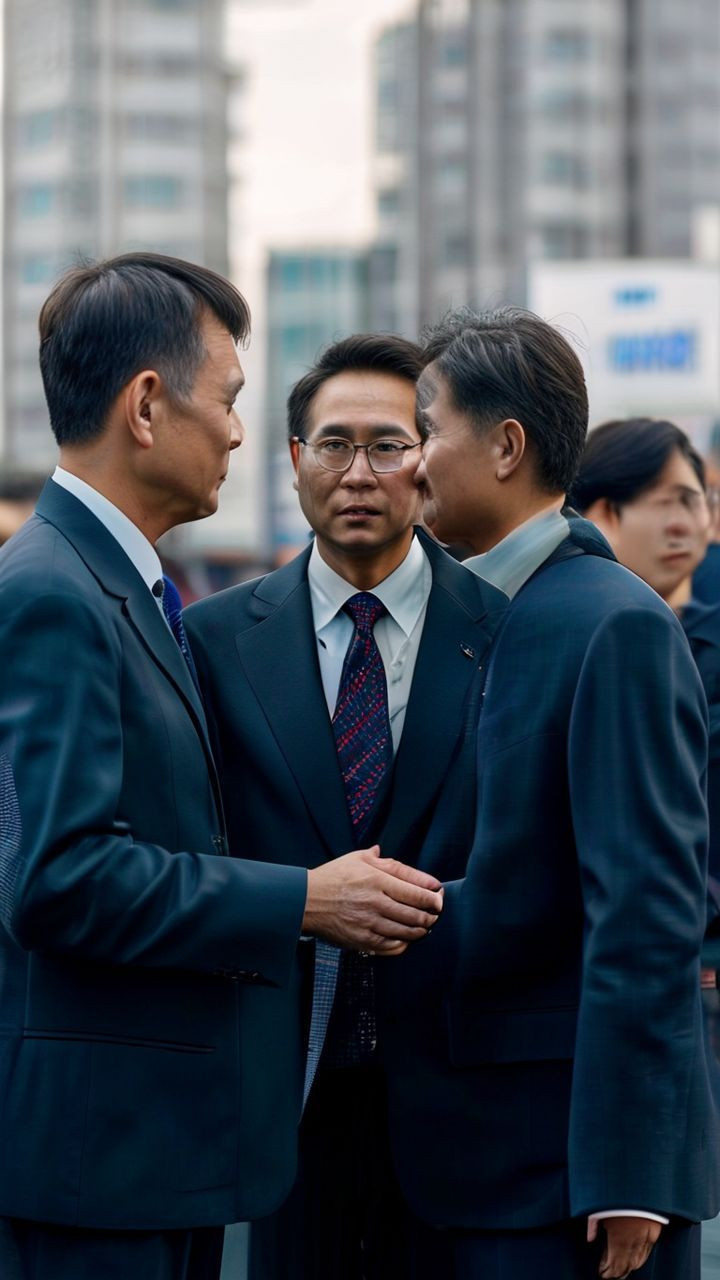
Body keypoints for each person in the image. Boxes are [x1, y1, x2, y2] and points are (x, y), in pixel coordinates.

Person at [0, 255, 444, 1280]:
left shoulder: (120, 585)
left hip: (154, 1153)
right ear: (147, 405)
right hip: (97, 1166)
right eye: (229, 399)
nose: (240, 434)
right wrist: (306, 899)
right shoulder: (54, 594)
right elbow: (58, 878)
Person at [378, 306, 719, 1279]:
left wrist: (629, 1173)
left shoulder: (612, 623)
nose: (412, 464)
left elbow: (646, 907)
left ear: (506, 446)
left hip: (570, 1183)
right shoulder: (480, 612)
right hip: (470, 1155)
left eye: (427, 431)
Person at [184, 333, 507, 1280]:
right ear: (294, 459)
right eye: (333, 445)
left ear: (430, 458)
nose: (359, 473)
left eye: (389, 445)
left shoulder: (508, 631)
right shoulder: (211, 641)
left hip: (464, 1096)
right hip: (281, 1094)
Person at [570, 417, 720, 882]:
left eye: (690, 500)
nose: (678, 524)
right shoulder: (565, 642)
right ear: (600, 515)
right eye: (656, 503)